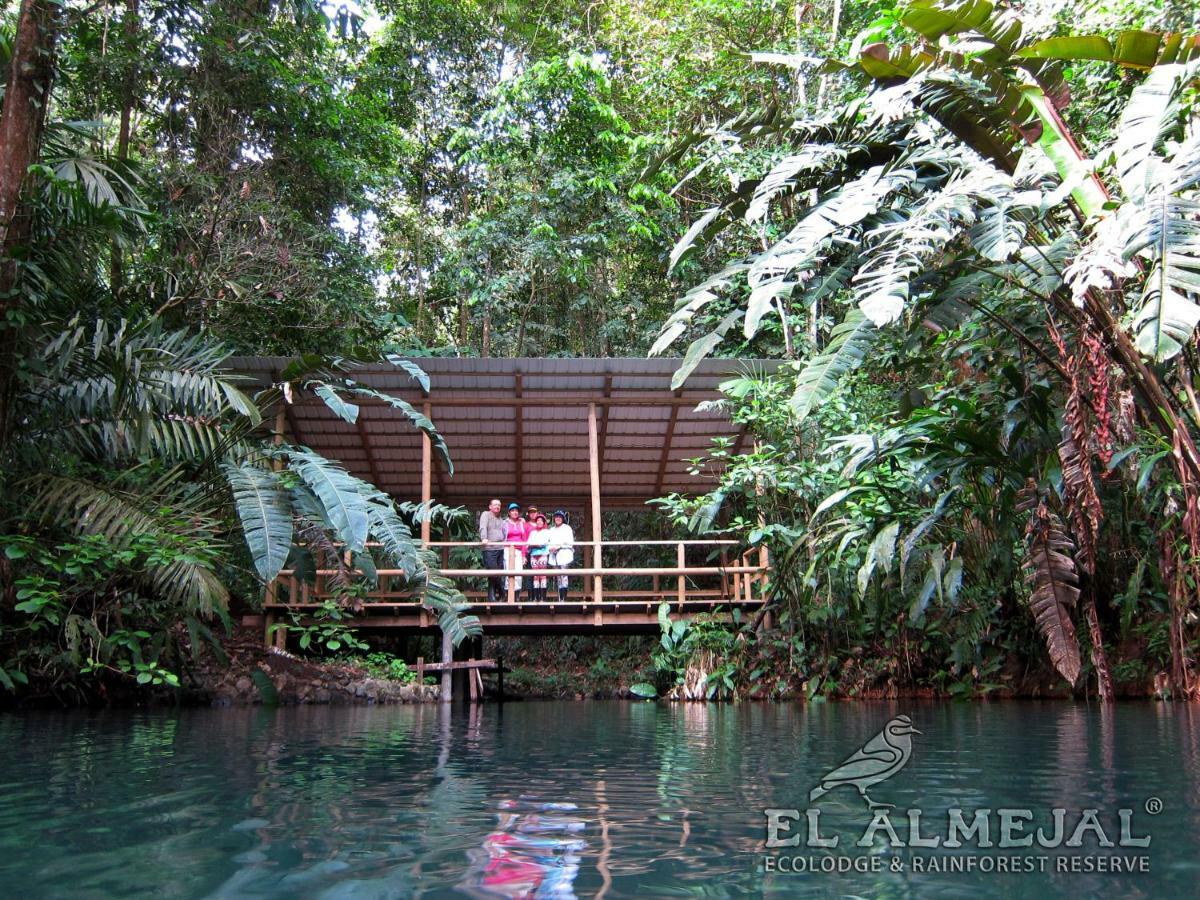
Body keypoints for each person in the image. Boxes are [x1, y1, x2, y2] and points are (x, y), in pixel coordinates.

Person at [479, 498, 507, 602]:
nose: (497, 506)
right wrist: (484, 538)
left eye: (499, 505)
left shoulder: (500, 518)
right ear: (490, 506)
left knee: (496, 573)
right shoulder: (486, 514)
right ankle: (502, 592)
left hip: (500, 548)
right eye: (495, 504)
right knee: (493, 571)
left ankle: (492, 598)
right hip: (489, 548)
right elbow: (483, 527)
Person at [546, 510, 575, 601]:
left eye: (560, 517)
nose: (558, 518)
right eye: (556, 516)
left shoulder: (567, 528)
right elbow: (548, 542)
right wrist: (551, 548)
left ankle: (564, 599)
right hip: (554, 555)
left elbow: (570, 542)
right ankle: (560, 598)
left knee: (564, 576)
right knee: (558, 577)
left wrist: (559, 546)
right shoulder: (551, 529)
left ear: (562, 518)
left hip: (564, 554)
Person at [503, 502, 529, 599]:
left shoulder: (522, 523)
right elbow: (501, 537)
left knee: (518, 572)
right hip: (507, 550)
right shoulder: (504, 523)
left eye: (516, 511)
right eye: (513, 510)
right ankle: (508, 595)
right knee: (508, 572)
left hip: (518, 550)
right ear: (509, 513)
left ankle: (517, 596)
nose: (515, 512)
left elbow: (524, 539)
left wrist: (523, 555)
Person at [526, 513, 551, 601]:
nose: (539, 522)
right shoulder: (533, 532)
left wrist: (534, 545)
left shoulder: (547, 532)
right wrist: (535, 545)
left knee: (543, 575)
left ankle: (543, 598)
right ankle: (536, 597)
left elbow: (543, 543)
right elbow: (528, 544)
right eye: (538, 520)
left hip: (543, 555)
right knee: (535, 576)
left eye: (541, 520)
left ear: (544, 522)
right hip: (533, 555)